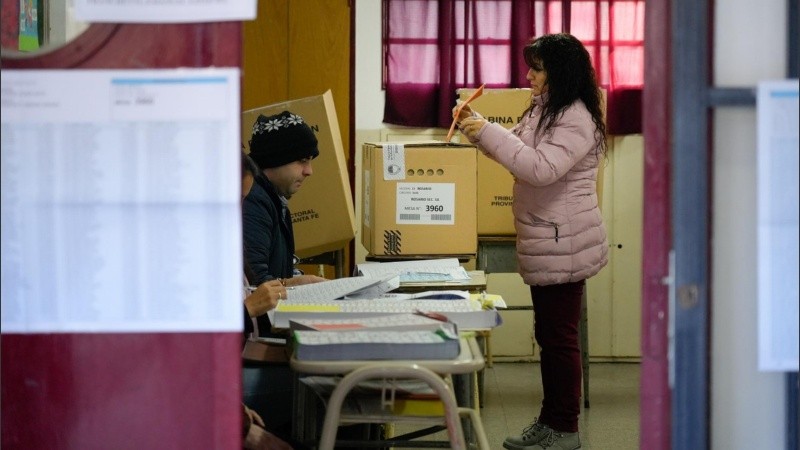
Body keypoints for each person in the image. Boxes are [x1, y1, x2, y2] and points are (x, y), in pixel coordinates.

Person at [456, 33, 608, 450]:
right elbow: (519, 151)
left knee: (559, 338)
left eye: (536, 68)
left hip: (565, 241)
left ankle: (565, 428)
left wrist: (488, 132)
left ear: (558, 72)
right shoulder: (547, 109)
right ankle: (551, 420)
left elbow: (540, 169)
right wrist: (479, 130)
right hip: (549, 236)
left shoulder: (574, 116)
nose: (528, 75)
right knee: (551, 335)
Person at [241, 112, 326, 437]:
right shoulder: (255, 204)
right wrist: (294, 285)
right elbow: (259, 286)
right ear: (275, 161)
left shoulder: (272, 199)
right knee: (329, 385)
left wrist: (294, 279)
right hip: (251, 348)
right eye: (301, 161)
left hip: (251, 343)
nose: (309, 171)